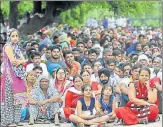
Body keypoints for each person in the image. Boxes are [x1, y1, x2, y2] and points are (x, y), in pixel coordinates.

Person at [1, 28, 27, 127]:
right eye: (13, 36)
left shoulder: (16, 46)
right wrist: (21, 61)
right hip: (9, 75)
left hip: (18, 75)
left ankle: (16, 120)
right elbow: (13, 61)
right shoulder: (8, 46)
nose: (15, 38)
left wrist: (21, 61)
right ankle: (8, 121)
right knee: (9, 98)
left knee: (19, 97)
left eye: (16, 36)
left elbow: (23, 60)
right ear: (9, 37)